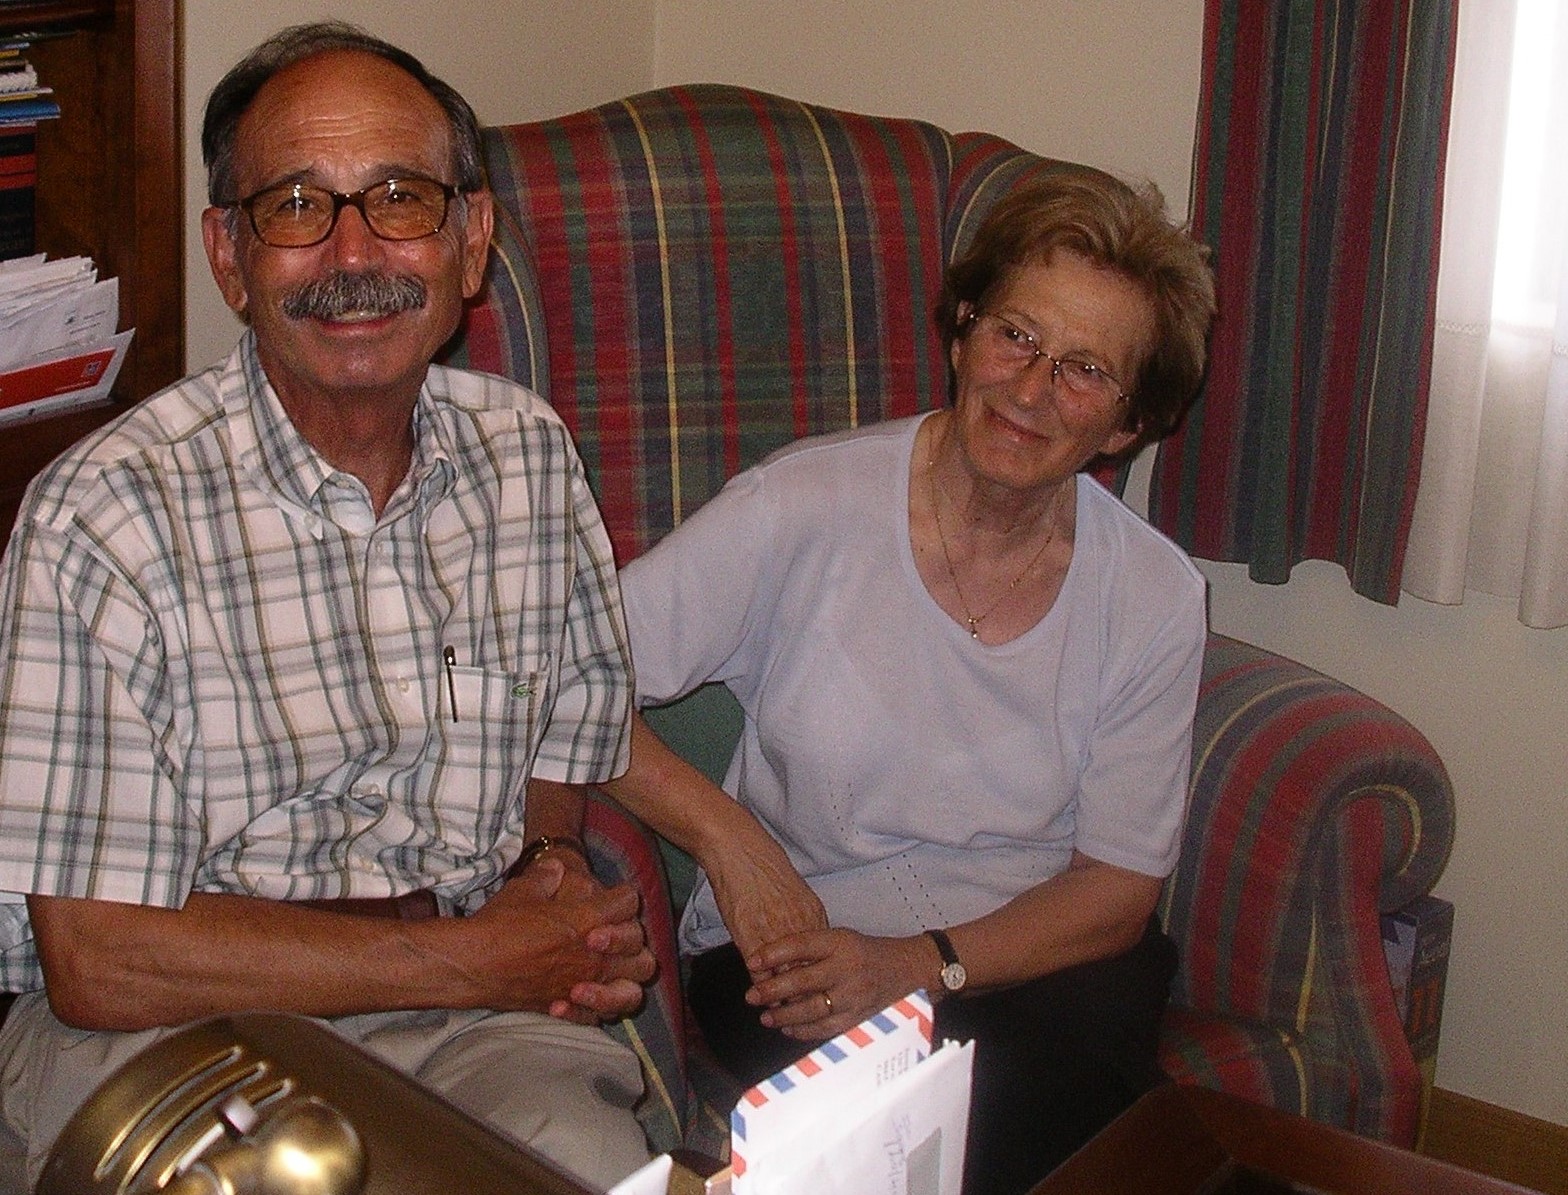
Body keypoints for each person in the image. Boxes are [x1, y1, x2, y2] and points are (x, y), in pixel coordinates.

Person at [0, 22, 654, 1192]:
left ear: (471, 240)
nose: (353, 252)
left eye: (400, 198)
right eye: (296, 205)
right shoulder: (104, 518)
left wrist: (547, 873)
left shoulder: (528, 457)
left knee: (584, 1165)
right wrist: (471, 958)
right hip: (179, 1028)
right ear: (229, 256)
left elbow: (564, 730)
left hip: (475, 1019)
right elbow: (98, 959)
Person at [602, 169, 1217, 1195]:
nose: (1029, 389)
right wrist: (728, 839)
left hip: (1037, 956)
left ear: (1126, 424)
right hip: (804, 946)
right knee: (958, 1130)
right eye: (1015, 335)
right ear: (961, 334)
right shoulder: (803, 506)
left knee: (1064, 1117)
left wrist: (920, 963)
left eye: (1082, 370)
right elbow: (561, 676)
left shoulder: (1152, 595)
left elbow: (1115, 890)